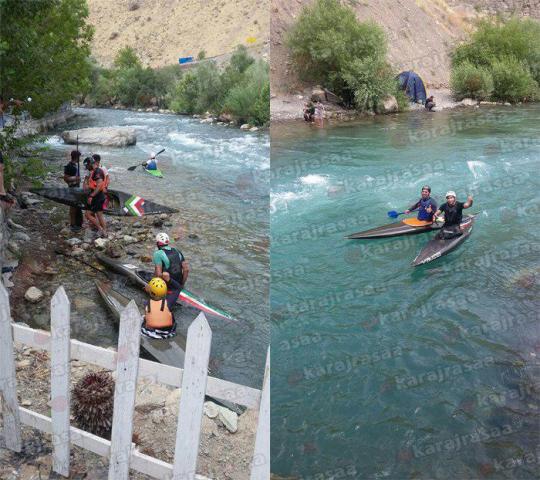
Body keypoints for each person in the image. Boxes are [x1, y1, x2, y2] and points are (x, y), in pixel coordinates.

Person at [152, 232, 189, 304]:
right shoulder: (177, 251)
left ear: (158, 243)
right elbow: (186, 270)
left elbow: (159, 274)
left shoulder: (158, 253)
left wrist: (152, 284)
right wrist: (182, 284)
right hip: (178, 283)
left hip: (168, 284)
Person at [82, 156, 107, 236]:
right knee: (95, 214)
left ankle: (102, 230)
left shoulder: (98, 172)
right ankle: (102, 230)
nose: (86, 168)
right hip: (96, 196)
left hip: (98, 196)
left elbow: (99, 185)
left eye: (87, 166)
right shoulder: (93, 171)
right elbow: (93, 184)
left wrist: (92, 196)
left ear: (90, 164)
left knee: (91, 214)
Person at [63, 150, 83, 231]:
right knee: (73, 207)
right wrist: (75, 178)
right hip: (72, 188)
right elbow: (66, 178)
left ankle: (78, 222)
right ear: (76, 157)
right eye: (79, 157)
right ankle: (72, 224)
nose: (80, 159)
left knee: (76, 206)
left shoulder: (75, 165)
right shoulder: (69, 166)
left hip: (76, 188)